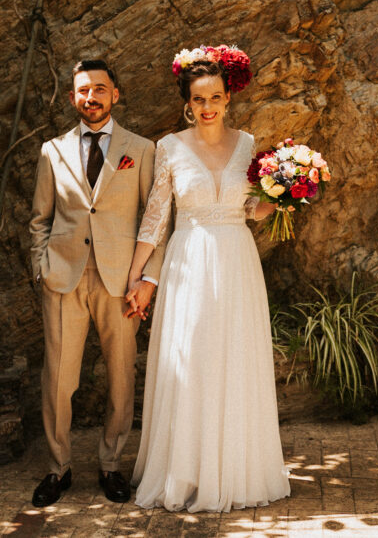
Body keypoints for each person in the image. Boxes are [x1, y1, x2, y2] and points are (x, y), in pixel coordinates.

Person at [125, 45, 291, 512]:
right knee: (193, 358)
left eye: (215, 97)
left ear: (227, 98)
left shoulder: (247, 143)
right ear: (187, 102)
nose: (208, 107)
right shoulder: (170, 148)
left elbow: (252, 212)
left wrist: (285, 193)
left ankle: (236, 471)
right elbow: (156, 220)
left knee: (235, 358)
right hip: (189, 262)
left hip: (237, 260)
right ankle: (189, 471)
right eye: (199, 100)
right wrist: (136, 277)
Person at [28, 60, 163, 507]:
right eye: (83, 91)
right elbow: (39, 219)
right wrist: (41, 269)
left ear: (115, 95)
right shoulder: (53, 150)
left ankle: (111, 464)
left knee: (121, 376)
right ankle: (57, 468)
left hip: (120, 281)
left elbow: (156, 219)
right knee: (58, 379)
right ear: (73, 98)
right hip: (63, 280)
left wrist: (146, 279)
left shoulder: (141, 150)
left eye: (100, 89)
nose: (91, 97)